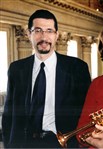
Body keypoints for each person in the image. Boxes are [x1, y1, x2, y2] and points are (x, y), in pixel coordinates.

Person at [2, 9, 91, 148]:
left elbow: (87, 112)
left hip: (62, 144)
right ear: (29, 34)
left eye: (49, 30)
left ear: (56, 35)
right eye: (38, 30)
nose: (44, 37)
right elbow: (8, 115)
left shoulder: (77, 68)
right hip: (24, 144)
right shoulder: (16, 69)